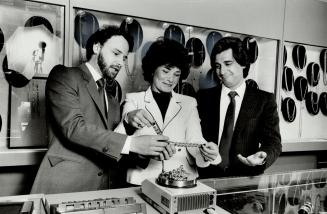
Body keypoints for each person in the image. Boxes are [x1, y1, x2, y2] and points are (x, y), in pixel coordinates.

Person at [30, 26, 173, 194]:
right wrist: (134, 144)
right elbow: (75, 128)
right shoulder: (64, 76)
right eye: (116, 53)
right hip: (64, 187)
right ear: (96, 48)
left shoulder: (112, 97)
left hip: (101, 190)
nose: (121, 62)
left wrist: (146, 151)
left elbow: (109, 143)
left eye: (125, 57)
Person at [115, 38, 221, 185]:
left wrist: (207, 153)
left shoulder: (188, 103)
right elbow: (116, 141)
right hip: (142, 182)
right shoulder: (133, 100)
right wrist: (128, 121)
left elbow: (195, 141)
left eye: (177, 74)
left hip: (181, 182)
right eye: (166, 71)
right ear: (152, 70)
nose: (171, 79)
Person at [197, 37, 282, 178]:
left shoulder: (264, 100)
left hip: (245, 181)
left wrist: (263, 156)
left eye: (228, 63)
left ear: (243, 63)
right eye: (217, 66)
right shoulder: (203, 98)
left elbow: (273, 142)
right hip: (207, 179)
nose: (222, 71)